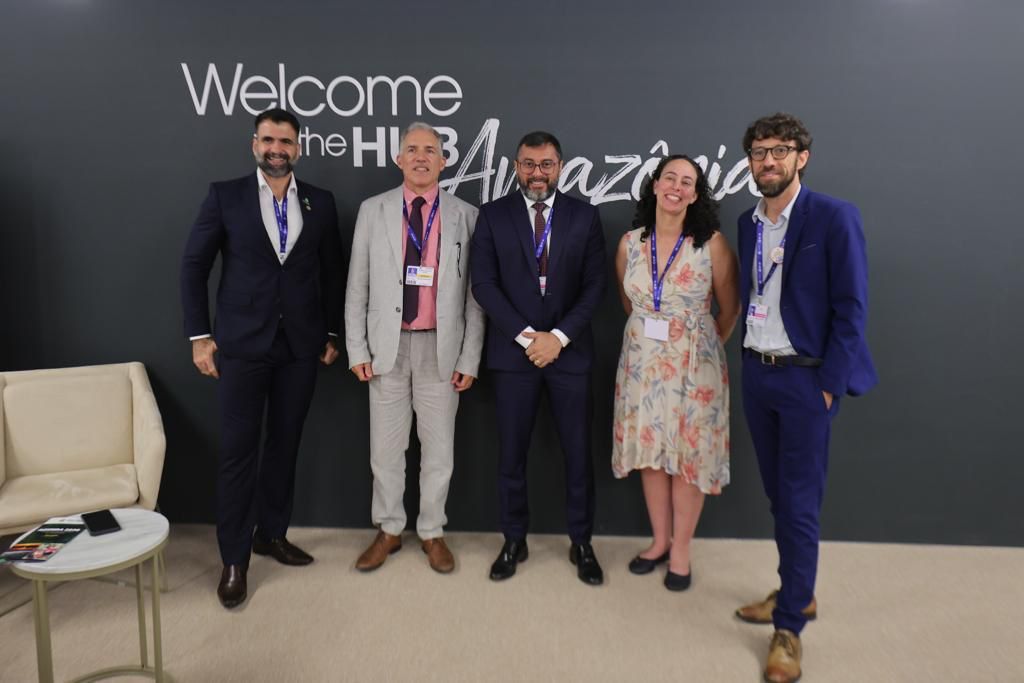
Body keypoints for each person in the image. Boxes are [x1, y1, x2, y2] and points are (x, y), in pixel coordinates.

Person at [734, 113, 877, 683]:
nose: (768, 160)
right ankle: (798, 589)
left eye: (779, 150)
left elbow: (852, 308)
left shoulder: (834, 216)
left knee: (798, 503)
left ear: (801, 157)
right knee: (779, 496)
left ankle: (790, 625)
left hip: (805, 382)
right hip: (757, 375)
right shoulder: (746, 222)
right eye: (758, 151)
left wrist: (828, 386)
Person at [180, 108, 343, 608]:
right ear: (255, 145)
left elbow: (331, 270)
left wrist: (331, 331)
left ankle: (271, 534)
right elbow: (194, 265)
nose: (277, 149)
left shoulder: (319, 201)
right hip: (242, 346)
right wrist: (200, 336)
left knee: (284, 445)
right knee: (238, 453)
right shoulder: (225, 196)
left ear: (299, 149)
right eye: (268, 140)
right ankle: (234, 558)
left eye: (286, 141)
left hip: (300, 347)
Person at [344, 122, 485, 574]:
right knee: (385, 451)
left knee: (438, 451)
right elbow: (357, 284)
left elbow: (475, 295)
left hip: (441, 350)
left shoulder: (466, 215)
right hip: (386, 349)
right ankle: (388, 528)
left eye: (430, 150)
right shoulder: (373, 210)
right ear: (399, 158)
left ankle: (431, 531)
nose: (421, 157)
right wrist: (356, 349)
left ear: (444, 160)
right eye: (412, 149)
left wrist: (469, 357)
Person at [471, 131, 608, 586]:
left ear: (560, 167)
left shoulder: (585, 217)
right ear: (516, 167)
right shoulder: (492, 216)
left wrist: (559, 338)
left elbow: (595, 287)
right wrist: (530, 338)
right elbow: (484, 285)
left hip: (570, 356)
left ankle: (582, 541)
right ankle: (514, 539)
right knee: (511, 455)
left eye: (546, 164)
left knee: (578, 456)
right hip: (515, 357)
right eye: (528, 164)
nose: (537, 173)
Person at [611, 155, 739, 591]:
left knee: (688, 459)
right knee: (651, 452)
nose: (676, 187)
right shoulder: (630, 243)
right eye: (670, 178)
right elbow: (630, 303)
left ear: (695, 195)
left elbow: (729, 308)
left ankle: (681, 551)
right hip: (642, 366)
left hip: (694, 370)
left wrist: (700, 348)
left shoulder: (712, 245)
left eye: (687, 182)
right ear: (655, 185)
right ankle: (659, 542)